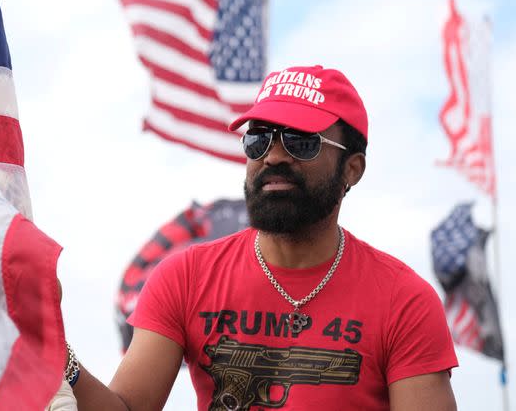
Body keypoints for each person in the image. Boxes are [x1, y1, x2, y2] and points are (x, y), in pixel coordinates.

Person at [66, 65, 458, 410]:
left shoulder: (404, 301)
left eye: (300, 141)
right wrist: (52, 347)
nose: (273, 156)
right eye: (259, 139)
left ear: (352, 169)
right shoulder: (185, 277)